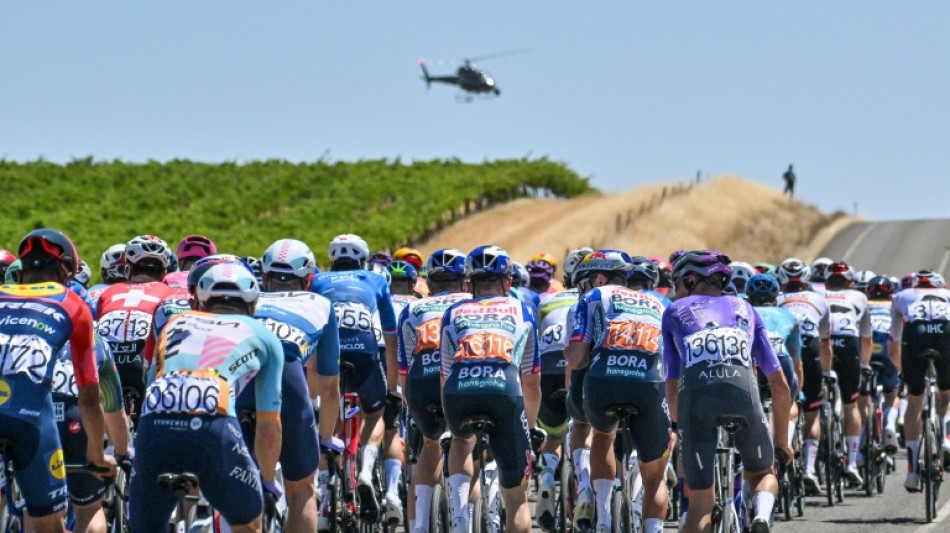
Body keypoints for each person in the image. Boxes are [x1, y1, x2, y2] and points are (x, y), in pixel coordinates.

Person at [131, 262, 284, 533]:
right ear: (252, 305)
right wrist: (269, 481)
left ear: (199, 303)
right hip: (215, 424)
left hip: (155, 423)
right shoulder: (267, 337)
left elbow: (153, 380)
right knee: (248, 523)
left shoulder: (174, 323)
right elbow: (269, 426)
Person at [663, 250, 791, 533]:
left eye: (677, 284)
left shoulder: (673, 312)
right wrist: (782, 442)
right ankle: (760, 516)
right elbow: (779, 383)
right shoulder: (745, 308)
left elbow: (671, 381)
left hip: (696, 404)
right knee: (762, 473)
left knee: (699, 502)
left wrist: (676, 423)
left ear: (692, 280)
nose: (675, 292)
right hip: (743, 396)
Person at [0, 229, 116, 533]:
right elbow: (89, 398)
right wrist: (94, 454)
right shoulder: (74, 306)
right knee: (47, 525)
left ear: (22, 272)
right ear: (67, 272)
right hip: (31, 422)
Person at [565, 250, 670, 533]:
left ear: (598, 277)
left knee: (602, 435)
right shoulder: (658, 302)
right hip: (650, 385)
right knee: (655, 477)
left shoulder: (594, 296)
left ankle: (602, 519)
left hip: (604, 382)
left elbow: (575, 358)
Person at [441, 245, 541, 533]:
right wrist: (529, 429)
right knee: (517, 498)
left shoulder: (453, 311)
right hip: (505, 393)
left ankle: (459, 516)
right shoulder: (523, 310)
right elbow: (531, 382)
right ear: (508, 282)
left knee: (461, 441)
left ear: (469, 283)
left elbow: (445, 375)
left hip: (459, 392)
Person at [246, 239, 340, 533]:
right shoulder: (320, 304)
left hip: (238, 375)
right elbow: (329, 385)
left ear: (263, 277)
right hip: (287, 377)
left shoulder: (249, 301)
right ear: (309, 279)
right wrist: (324, 438)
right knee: (301, 489)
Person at [311, 234, 399, 521]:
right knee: (375, 413)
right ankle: (364, 468)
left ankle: (325, 498)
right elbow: (390, 335)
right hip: (364, 354)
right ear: (364, 259)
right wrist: (392, 388)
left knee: (329, 413)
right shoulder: (376, 280)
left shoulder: (318, 280)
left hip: (330, 356)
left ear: (332, 260)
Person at [398, 249, 471, 533]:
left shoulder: (412, 309)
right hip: (460, 381)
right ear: (465, 280)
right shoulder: (472, 304)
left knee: (428, 447)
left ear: (428, 282)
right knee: (467, 446)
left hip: (420, 384)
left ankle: (418, 526)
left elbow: (405, 366)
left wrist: (411, 403)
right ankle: (467, 515)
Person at [52, 333, 130, 533]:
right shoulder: (96, 341)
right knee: (90, 509)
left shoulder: (27, 331)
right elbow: (115, 411)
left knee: (38, 512)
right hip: (77, 418)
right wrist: (122, 453)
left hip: (36, 414)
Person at [96, 235, 176, 425]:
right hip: (143, 359)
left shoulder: (108, 292)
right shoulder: (170, 293)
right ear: (164, 272)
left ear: (128, 268)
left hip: (107, 360)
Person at [533, 249, 586, 531]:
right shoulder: (594, 301)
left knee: (554, 436)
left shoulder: (546, 301)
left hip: (549, 370)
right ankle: (587, 486)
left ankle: (546, 478)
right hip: (578, 369)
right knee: (586, 431)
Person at [775, 257, 833, 493]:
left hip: (785, 351)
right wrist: (827, 373)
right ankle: (809, 469)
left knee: (788, 406)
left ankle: (784, 448)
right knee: (812, 414)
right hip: (810, 350)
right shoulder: (820, 300)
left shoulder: (776, 300)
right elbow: (826, 344)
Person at [889, 269, 950, 492]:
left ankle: (913, 471)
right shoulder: (948, 294)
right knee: (946, 392)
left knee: (915, 400)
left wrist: (903, 371)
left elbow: (894, 344)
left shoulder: (900, 296)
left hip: (915, 337)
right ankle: (947, 439)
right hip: (945, 334)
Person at [823, 260, 873, 485]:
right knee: (850, 404)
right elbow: (867, 339)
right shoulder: (859, 297)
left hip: (823, 343)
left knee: (814, 400)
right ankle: (852, 461)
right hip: (849, 343)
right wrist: (864, 366)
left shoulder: (817, 294)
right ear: (850, 282)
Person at [863, 276, 901, 455]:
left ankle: (859, 451)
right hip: (887, 349)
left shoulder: (863, 305)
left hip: (867, 348)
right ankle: (890, 425)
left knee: (858, 400)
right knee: (893, 394)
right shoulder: (895, 306)